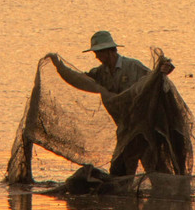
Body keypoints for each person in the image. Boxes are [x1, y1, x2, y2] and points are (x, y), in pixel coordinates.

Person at [47, 29, 182, 177]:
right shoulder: (100, 73)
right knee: (121, 170)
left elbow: (154, 79)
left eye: (98, 52)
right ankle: (131, 196)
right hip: (125, 128)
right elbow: (81, 81)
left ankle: (166, 193)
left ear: (109, 51)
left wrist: (165, 69)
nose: (96, 56)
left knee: (155, 169)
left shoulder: (132, 66)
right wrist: (59, 66)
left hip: (146, 128)